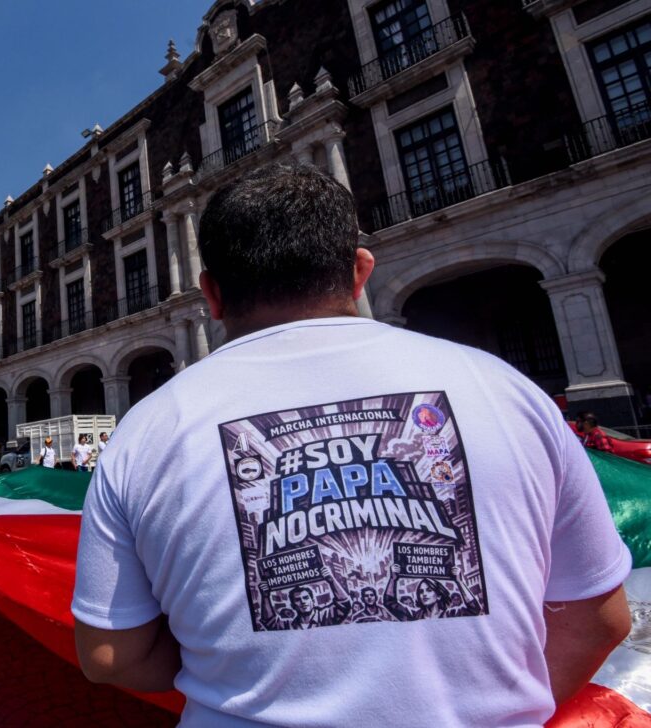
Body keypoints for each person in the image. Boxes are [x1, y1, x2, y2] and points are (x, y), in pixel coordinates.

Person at [71, 164, 632, 726]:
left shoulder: (144, 430)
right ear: (360, 270)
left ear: (212, 294)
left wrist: (219, 658)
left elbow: (109, 655)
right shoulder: (509, 391)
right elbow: (601, 619)